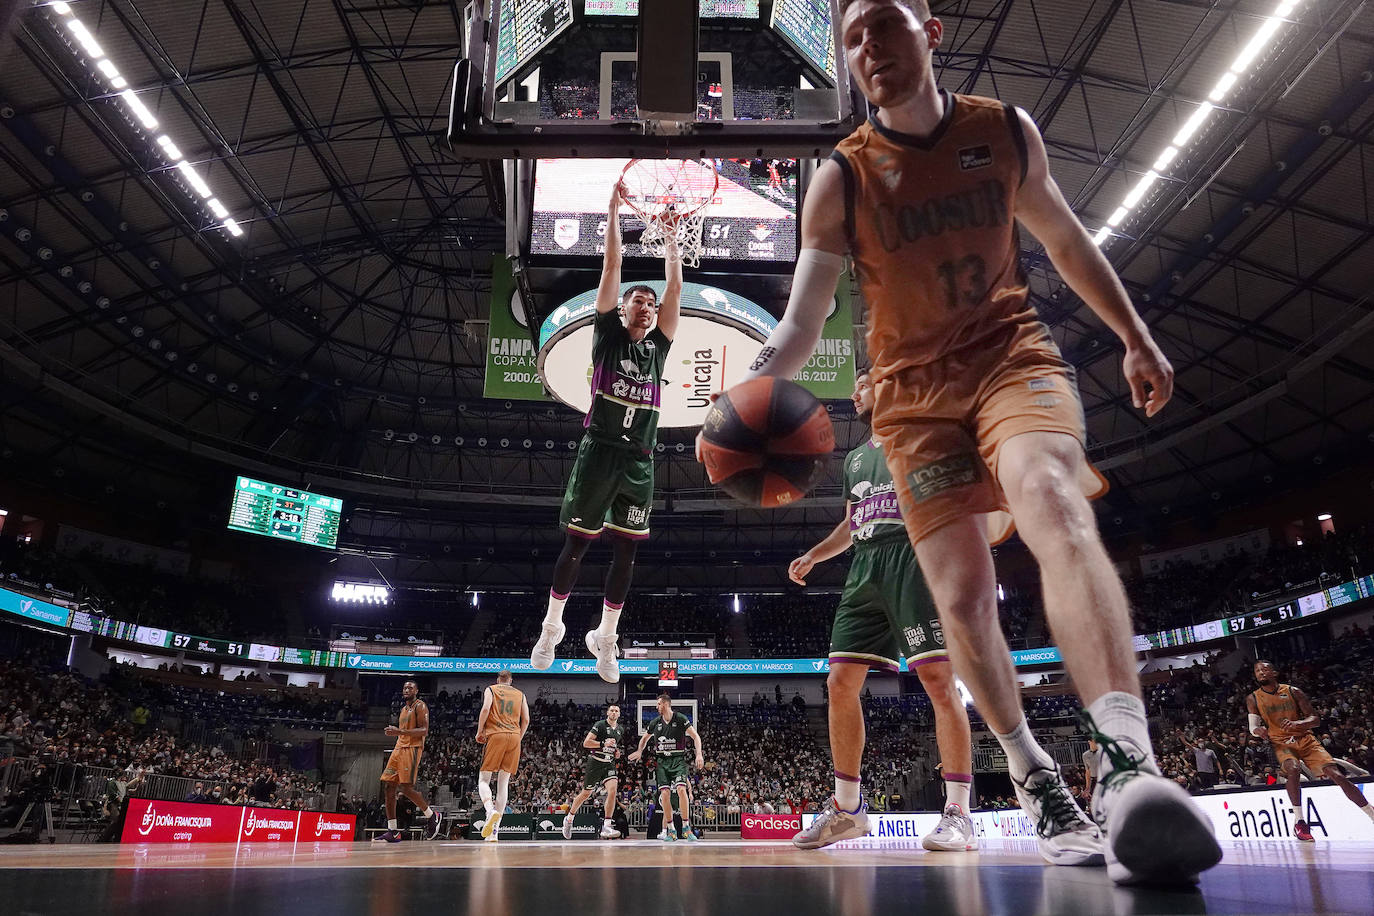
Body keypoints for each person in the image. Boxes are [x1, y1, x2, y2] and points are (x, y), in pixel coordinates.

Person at [722, 0, 1220, 885]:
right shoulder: (843, 176)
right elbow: (803, 320)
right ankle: (1037, 782)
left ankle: (1129, 764)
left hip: (1009, 360)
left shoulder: (1005, 131)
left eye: (883, 24)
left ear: (931, 30)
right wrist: (753, 385)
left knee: (1051, 498)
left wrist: (1135, 335)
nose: (866, 47)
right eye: (850, 38)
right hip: (912, 403)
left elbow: (1065, 240)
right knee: (959, 598)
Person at [787, 370, 977, 852]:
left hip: (913, 562)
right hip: (865, 568)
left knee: (938, 680)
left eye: (865, 383)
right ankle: (848, 809)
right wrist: (814, 554)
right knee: (839, 683)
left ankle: (958, 811)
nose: (855, 391)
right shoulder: (855, 460)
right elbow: (853, 524)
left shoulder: (921, 439)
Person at [531, 182, 683, 684]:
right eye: (637, 300)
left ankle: (606, 636)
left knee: (627, 549)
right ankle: (552, 627)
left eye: (650, 302)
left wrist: (674, 243)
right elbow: (611, 269)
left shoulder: (658, 348)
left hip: (639, 458)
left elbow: (675, 288)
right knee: (577, 545)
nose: (644, 304)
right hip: (598, 451)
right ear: (622, 309)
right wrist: (614, 210)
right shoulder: (607, 336)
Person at [1247, 659, 1374, 842]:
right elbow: (1253, 726)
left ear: (1274, 673)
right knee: (1293, 769)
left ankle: (1370, 812)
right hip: (1282, 743)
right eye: (1257, 670)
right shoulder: (1253, 698)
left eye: (1264, 669)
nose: (1261, 673)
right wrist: (1257, 731)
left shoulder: (1293, 691)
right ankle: (1300, 822)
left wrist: (1299, 723)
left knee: (1336, 774)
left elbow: (1315, 719)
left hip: (1306, 740)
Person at [373, 680, 443, 843]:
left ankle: (432, 816)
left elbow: (424, 730)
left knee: (405, 787)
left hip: (412, 748)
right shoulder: (404, 709)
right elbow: (403, 732)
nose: (407, 690)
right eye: (405, 687)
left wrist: (400, 731)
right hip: (399, 748)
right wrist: (397, 733)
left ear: (416, 691)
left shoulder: (420, 706)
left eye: (410, 688)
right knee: (389, 786)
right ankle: (393, 831)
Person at [629, 694, 704, 842]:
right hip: (662, 762)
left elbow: (696, 737)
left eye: (658, 704)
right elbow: (644, 738)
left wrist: (699, 754)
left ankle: (686, 827)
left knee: (682, 790)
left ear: (665, 704)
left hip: (678, 760)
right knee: (665, 795)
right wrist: (639, 751)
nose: (656, 707)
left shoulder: (681, 718)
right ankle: (671, 830)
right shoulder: (655, 722)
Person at [475, 670, 529, 841]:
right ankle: (494, 832)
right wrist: (518, 738)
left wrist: (479, 731)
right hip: (514, 736)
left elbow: (485, 709)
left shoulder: (491, 689)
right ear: (510, 680)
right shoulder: (521, 694)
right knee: (503, 783)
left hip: (496, 734)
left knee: (483, 779)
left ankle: (490, 811)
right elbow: (526, 719)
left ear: (498, 680)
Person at [561, 704, 626, 840]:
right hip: (595, 762)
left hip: (609, 763)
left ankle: (607, 825)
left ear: (619, 714)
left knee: (613, 790)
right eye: (612, 710)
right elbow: (586, 743)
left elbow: (612, 747)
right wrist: (603, 744)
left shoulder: (620, 729)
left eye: (616, 711)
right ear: (608, 713)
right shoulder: (600, 725)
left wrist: (616, 752)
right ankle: (569, 819)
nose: (614, 712)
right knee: (585, 794)